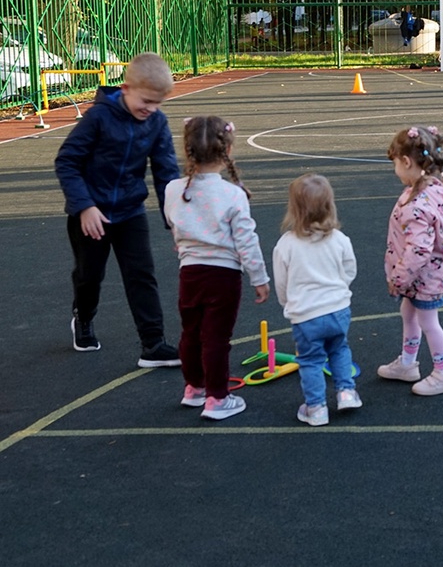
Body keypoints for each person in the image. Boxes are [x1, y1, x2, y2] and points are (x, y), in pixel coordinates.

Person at [54, 52, 184, 367]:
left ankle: (153, 344)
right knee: (90, 276)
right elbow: (66, 161)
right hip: (91, 214)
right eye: (146, 101)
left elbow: (166, 173)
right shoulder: (99, 117)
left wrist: (177, 221)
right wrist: (84, 206)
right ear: (126, 89)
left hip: (129, 210)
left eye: (158, 104)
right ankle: (83, 317)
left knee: (142, 274)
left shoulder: (156, 122)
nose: (150, 109)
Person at [163, 116, 270, 420]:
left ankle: (194, 387)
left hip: (190, 273)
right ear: (227, 151)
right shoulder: (232, 195)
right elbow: (246, 240)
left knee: (191, 332)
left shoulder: (173, 189)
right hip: (222, 276)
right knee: (216, 338)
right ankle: (217, 398)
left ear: (188, 150)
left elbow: (174, 222)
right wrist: (259, 277)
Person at [378, 125, 443, 396]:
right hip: (421, 275)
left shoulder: (418, 203)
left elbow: (419, 249)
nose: (395, 169)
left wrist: (398, 278)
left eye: (395, 163)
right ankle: (407, 363)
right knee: (408, 313)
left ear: (406, 161)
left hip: (424, 276)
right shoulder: (431, 188)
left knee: (429, 322)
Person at [274, 174, 361, 426]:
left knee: (310, 360)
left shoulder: (286, 245)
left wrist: (288, 304)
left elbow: (281, 282)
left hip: (306, 315)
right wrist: (339, 290)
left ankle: (316, 407)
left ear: (294, 210)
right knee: (339, 349)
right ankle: (346, 392)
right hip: (337, 310)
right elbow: (349, 270)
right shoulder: (339, 239)